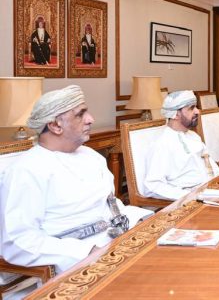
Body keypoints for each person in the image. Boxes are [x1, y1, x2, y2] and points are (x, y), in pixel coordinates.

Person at [0, 85, 151, 273]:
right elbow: (18, 242)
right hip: (75, 265)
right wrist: (87, 252)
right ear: (55, 125)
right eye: (80, 114)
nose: (91, 119)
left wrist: (141, 221)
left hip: (118, 246)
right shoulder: (26, 170)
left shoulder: (90, 156)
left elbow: (111, 207)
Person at [142, 91, 219, 200]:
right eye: (191, 108)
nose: (197, 111)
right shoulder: (162, 144)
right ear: (176, 114)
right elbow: (152, 185)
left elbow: (212, 167)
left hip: (212, 190)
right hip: (191, 199)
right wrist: (190, 196)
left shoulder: (194, 136)